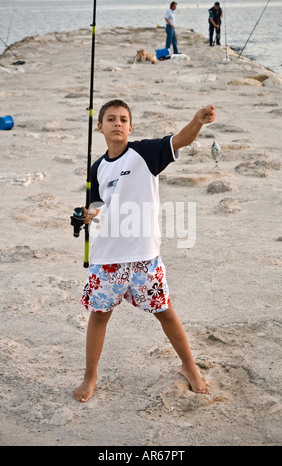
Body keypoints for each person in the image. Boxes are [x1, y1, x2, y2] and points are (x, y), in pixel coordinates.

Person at [73, 99, 216, 403]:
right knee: (99, 315)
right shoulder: (97, 167)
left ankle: (190, 367)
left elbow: (181, 139)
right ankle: (90, 375)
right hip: (107, 257)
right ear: (100, 127)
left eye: (124, 119)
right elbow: (97, 206)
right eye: (111, 119)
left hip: (143, 256)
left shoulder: (145, 153)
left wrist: (197, 121)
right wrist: (83, 216)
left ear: (131, 126)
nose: (118, 123)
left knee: (164, 311)